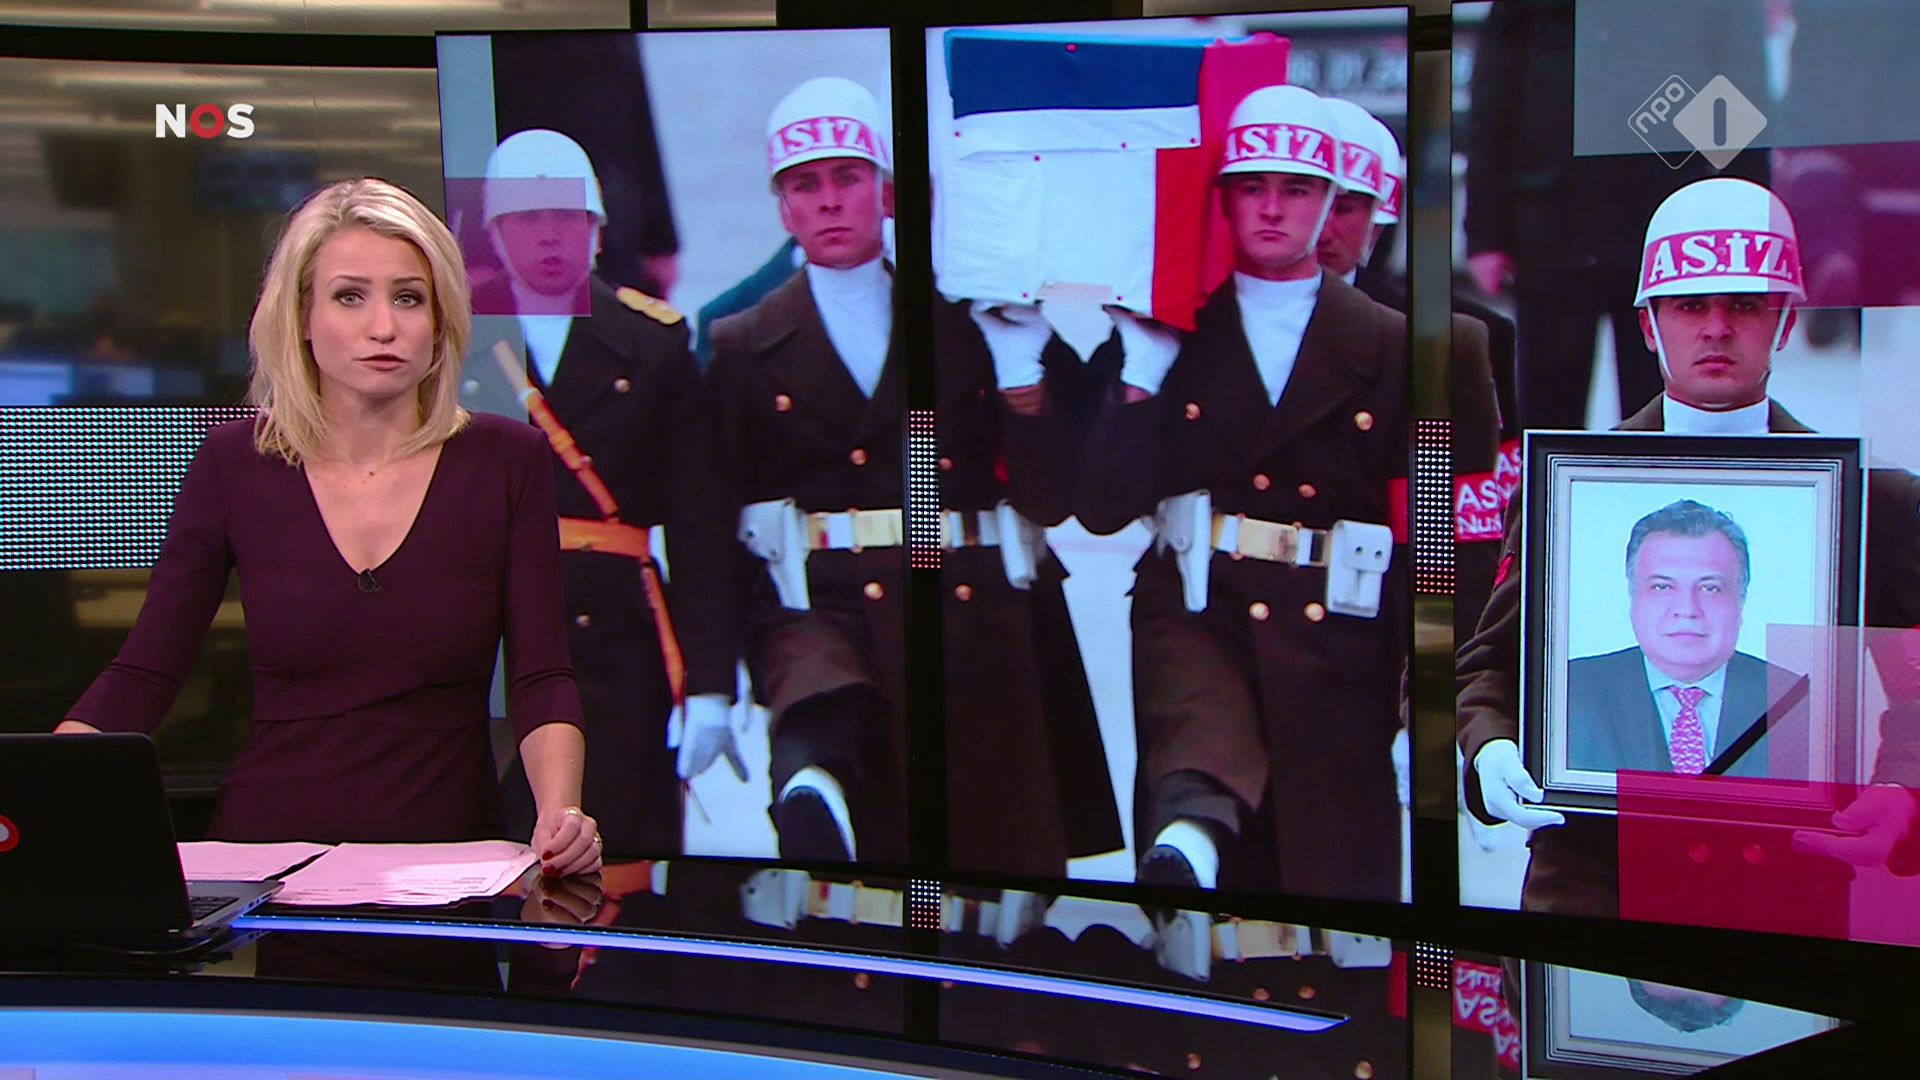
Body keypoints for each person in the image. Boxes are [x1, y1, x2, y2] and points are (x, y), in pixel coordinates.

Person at [55, 178, 600, 877]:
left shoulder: (507, 460)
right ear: (302, 318)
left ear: (440, 322)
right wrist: (42, 791)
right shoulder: (234, 462)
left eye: (409, 298)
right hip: (266, 860)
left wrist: (562, 812)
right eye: (350, 297)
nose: (384, 327)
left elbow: (542, 675)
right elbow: (147, 670)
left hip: (448, 861)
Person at [1458, 176, 1920, 917]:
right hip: (1591, 886)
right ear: (1648, 325)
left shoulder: (1874, 501)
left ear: (1784, 323)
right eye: (1690, 305)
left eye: (1745, 305)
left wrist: (1902, 787)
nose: (1716, 328)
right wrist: (1491, 746)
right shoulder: (1569, 488)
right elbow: (1489, 660)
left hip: (1786, 887)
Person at [1076, 85, 1409, 899]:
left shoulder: (1408, 345)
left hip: (1342, 632)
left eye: (1296, 188)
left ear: (1331, 199)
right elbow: (1101, 506)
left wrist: (1426, 697)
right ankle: (1189, 842)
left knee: (1334, 890)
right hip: (1197, 607)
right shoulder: (1171, 323)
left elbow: (1436, 542)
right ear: (1220, 197)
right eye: (1250, 186)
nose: (1271, 207)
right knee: (1196, 778)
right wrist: (1141, 375)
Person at [466, 130, 736, 858]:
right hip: (486, 640)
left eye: (568, 214)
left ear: (597, 228)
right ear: (495, 230)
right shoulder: (453, 341)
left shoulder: (654, 343)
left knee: (625, 855)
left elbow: (701, 524)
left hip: (621, 640)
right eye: (527, 217)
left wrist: (710, 685)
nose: (550, 234)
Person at [704, 76, 904, 862]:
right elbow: (714, 513)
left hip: (934, 586)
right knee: (817, 716)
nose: (828, 201)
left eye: (847, 177)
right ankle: (809, 791)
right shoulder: (738, 338)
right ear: (783, 208)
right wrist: (711, 678)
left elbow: (937, 456)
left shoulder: (946, 315)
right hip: (804, 596)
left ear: (885, 190)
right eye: (804, 184)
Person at [940, 281, 1123, 876]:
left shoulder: (1008, 317)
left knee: (1019, 838)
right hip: (916, 590)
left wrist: (1025, 386)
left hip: (1009, 595)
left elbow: (1058, 492)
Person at [1567, 500, 1795, 778]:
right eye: (1662, 586)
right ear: (1633, 596)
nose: (1687, 610)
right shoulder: (1568, 691)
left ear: (1741, 599)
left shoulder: (1798, 702)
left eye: (1710, 588)